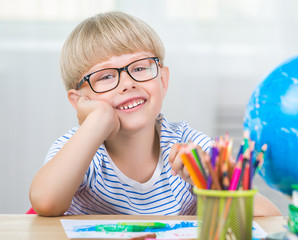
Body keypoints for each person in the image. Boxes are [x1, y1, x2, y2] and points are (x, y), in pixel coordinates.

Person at [29, 11, 281, 217]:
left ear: (163, 79)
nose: (127, 83)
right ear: (80, 101)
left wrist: (210, 182)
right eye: (106, 76)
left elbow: (269, 217)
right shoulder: (77, 148)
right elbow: (45, 202)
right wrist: (97, 121)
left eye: (139, 68)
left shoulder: (191, 146)